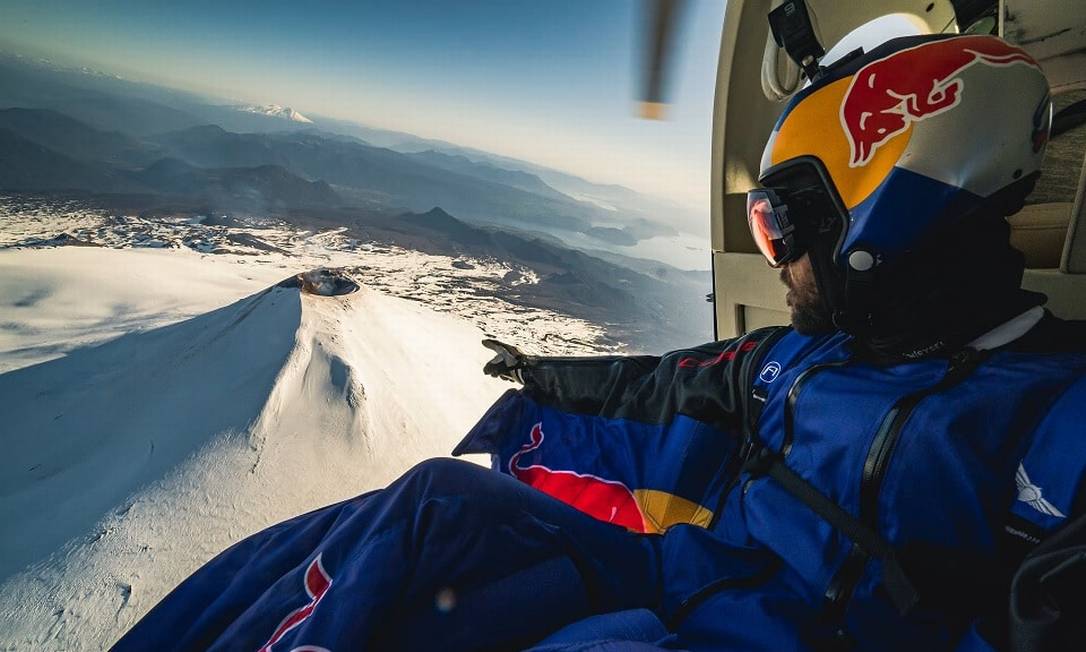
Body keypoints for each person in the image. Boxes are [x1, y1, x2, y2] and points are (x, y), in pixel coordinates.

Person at [115, 34, 1086, 651]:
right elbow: (657, 391)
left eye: (788, 220)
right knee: (435, 502)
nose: (777, 257)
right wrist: (538, 381)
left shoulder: (1053, 412)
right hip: (683, 583)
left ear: (899, 202)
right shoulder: (799, 357)